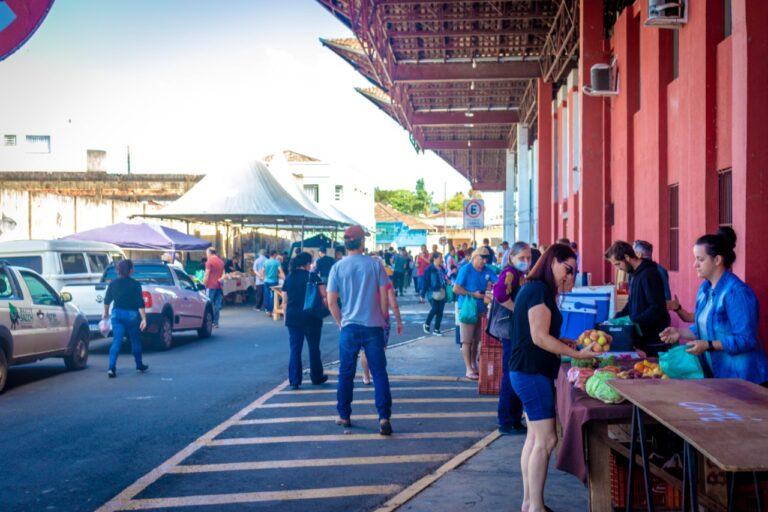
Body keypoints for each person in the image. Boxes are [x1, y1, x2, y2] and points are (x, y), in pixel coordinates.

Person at [509, 244, 600, 512]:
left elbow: (537, 333)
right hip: (531, 372)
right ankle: (536, 506)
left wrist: (565, 343)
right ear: (552, 262)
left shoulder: (537, 289)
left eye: (573, 272)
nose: (569, 277)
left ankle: (529, 503)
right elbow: (539, 337)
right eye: (567, 269)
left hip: (527, 370)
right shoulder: (538, 290)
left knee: (534, 439)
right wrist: (580, 355)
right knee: (546, 440)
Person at [660, 227, 768, 384]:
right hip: (720, 376)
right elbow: (705, 329)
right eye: (695, 259)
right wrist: (680, 333)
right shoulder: (705, 289)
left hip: (745, 379)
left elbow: (747, 339)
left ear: (717, 260)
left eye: (700, 259)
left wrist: (709, 345)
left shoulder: (736, 293)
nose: (695, 264)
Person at [327, 225, 393, 435]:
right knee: (379, 373)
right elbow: (384, 296)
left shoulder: (337, 267)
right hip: (373, 325)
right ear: (362, 242)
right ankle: (383, 417)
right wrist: (382, 318)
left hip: (349, 327)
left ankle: (344, 415)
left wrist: (340, 322)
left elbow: (331, 302)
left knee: (346, 372)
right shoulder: (375, 265)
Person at [605, 241, 671, 356]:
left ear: (626, 257)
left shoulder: (649, 274)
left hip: (654, 340)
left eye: (618, 264)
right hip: (641, 338)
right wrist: (617, 317)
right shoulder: (634, 274)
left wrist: (634, 321)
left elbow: (656, 308)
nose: (618, 269)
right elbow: (631, 302)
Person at [492, 241, 531, 435]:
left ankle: (514, 418)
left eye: (528, 258)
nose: (525, 261)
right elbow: (499, 294)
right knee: (510, 374)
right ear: (511, 258)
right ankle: (506, 420)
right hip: (509, 330)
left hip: (513, 330)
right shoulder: (510, 273)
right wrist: (518, 311)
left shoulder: (519, 274)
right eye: (521, 258)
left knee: (514, 373)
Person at [281, 252, 329, 390]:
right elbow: (323, 295)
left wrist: (286, 318)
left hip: (293, 318)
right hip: (311, 317)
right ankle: (316, 376)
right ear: (307, 263)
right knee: (314, 348)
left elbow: (284, 301)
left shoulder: (289, 278)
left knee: (295, 349)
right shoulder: (313, 276)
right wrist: (325, 309)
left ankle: (294, 380)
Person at [453, 248, 497, 379]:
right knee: (466, 340)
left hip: (481, 309)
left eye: (486, 259)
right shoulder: (466, 269)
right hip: (467, 309)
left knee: (476, 340)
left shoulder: (488, 270)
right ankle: (468, 368)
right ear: (474, 257)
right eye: (482, 258)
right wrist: (473, 294)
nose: (484, 261)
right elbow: (456, 288)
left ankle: (473, 365)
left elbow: (498, 281)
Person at [361, 256, 404, 385]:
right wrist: (399, 321)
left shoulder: (363, 280)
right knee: (379, 349)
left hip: (364, 319)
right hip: (382, 320)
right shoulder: (386, 282)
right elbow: (393, 303)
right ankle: (377, 375)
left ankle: (366, 376)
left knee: (364, 350)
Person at [103, 259, 149, 378]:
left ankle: (111, 368)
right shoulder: (135, 284)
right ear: (130, 270)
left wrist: (105, 313)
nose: (133, 269)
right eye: (132, 267)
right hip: (132, 316)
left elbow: (107, 300)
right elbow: (140, 303)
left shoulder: (113, 283)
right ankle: (139, 365)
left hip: (117, 315)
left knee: (116, 341)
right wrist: (144, 319)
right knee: (135, 340)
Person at [421, 253, 447, 335]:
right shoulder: (429, 269)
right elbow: (425, 282)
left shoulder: (441, 268)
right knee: (435, 309)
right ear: (435, 259)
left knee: (440, 311)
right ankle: (427, 324)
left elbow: (444, 278)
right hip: (432, 292)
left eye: (441, 258)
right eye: (440, 258)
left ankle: (436, 329)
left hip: (442, 291)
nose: (441, 259)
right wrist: (422, 294)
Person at [203, 247, 225, 328]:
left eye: (206, 253)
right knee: (217, 304)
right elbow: (224, 274)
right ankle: (216, 322)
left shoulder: (209, 262)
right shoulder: (221, 262)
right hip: (219, 286)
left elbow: (207, 274)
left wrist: (203, 284)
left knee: (209, 304)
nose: (206, 255)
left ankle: (209, 321)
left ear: (210, 253)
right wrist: (220, 279)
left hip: (210, 285)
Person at [261, 250, 285, 316]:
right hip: (274, 281)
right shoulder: (277, 262)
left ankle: (268, 311)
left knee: (267, 295)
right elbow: (281, 271)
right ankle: (272, 310)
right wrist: (285, 279)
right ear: (274, 254)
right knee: (273, 296)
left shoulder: (265, 262)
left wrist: (263, 278)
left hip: (266, 281)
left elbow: (262, 272)